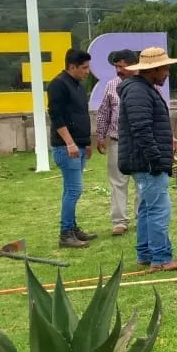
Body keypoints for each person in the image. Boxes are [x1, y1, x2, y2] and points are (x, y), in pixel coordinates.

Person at [117, 47, 177, 272]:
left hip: (143, 160)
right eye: (165, 68)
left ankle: (145, 253)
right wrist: (155, 158)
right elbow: (141, 128)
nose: (168, 73)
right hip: (147, 161)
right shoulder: (139, 91)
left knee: (147, 207)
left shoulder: (142, 89)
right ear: (153, 69)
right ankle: (161, 258)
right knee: (159, 208)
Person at [49, 49, 96, 249]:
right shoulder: (58, 85)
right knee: (74, 190)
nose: (88, 72)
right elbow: (56, 116)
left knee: (71, 190)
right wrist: (69, 142)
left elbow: (80, 115)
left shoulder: (77, 85)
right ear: (72, 67)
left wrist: (86, 143)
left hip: (79, 145)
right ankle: (65, 233)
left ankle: (73, 227)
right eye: (84, 68)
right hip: (66, 147)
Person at [95, 49, 138, 236]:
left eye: (121, 66)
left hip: (139, 141)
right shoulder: (111, 85)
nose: (118, 70)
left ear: (131, 65)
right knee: (117, 182)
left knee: (142, 181)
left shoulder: (146, 84)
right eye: (116, 66)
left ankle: (141, 216)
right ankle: (119, 221)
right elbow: (104, 112)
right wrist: (100, 135)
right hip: (117, 141)